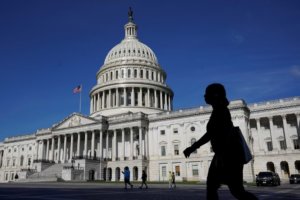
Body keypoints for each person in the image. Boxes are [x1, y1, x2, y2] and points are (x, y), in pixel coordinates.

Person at [183, 83, 258, 200]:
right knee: (222, 188)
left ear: (215, 95)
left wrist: (193, 147)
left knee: (235, 190)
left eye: (207, 93)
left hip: (228, 154)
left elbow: (211, 134)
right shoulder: (218, 110)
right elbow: (212, 134)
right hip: (224, 154)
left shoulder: (220, 111)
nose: (204, 96)